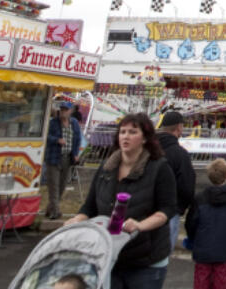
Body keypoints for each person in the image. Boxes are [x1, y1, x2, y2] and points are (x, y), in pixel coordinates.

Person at [67, 112, 178, 289]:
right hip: (110, 256)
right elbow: (89, 207)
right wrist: (77, 220)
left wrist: (141, 225)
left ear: (144, 138)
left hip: (146, 261)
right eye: (122, 132)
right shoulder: (106, 168)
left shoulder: (159, 168)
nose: (126, 136)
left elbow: (168, 209)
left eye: (133, 132)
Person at [185, 158, 226, 289]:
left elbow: (191, 222)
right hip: (224, 249)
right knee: (221, 281)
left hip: (203, 249)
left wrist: (193, 240)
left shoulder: (200, 197)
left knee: (201, 280)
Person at [156, 111, 195, 250]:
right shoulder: (180, 154)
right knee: (162, 256)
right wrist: (180, 207)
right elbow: (187, 187)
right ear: (179, 127)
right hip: (170, 211)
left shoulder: (149, 149)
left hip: (144, 210)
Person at [44, 101, 83, 219]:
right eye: (62, 110)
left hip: (67, 157)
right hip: (54, 158)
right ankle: (56, 212)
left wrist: (76, 154)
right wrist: (56, 140)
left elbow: (77, 139)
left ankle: (49, 209)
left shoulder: (74, 123)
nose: (63, 112)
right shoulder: (53, 123)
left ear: (70, 111)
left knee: (62, 185)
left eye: (66, 110)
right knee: (54, 186)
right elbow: (46, 136)